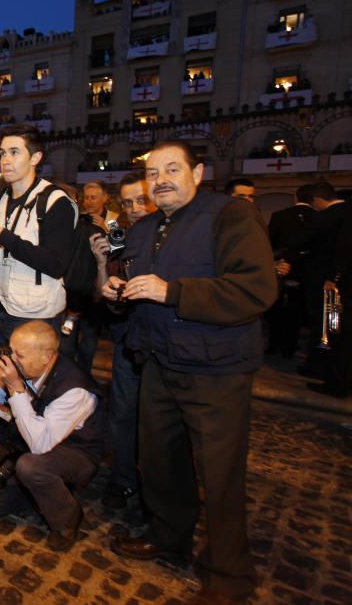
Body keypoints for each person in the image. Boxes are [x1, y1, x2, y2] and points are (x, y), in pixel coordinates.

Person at [103, 140, 276, 602]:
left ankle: (229, 575)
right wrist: (117, 295)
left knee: (219, 475)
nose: (159, 180)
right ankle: (169, 538)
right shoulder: (143, 230)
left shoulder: (230, 216)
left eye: (171, 169)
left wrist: (173, 292)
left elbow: (255, 291)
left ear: (197, 173)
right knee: (160, 463)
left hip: (216, 369)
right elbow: (137, 294)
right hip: (158, 363)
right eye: (152, 173)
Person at [0, 321, 103, 552]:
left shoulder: (74, 388)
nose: (11, 359)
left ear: (47, 356)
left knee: (31, 467)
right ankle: (43, 493)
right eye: (11, 350)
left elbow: (41, 445)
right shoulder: (24, 369)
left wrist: (15, 388)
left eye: (19, 354)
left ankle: (67, 520)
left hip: (76, 453)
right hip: (35, 447)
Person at [89, 171, 155, 509]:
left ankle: (159, 488)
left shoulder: (176, 238)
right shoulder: (120, 238)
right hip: (127, 340)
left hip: (164, 345)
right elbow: (104, 294)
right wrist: (102, 262)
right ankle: (124, 479)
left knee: (160, 421)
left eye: (142, 200)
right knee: (123, 414)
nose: (135, 209)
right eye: (128, 203)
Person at [0, 125, 78, 344]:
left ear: (35, 158)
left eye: (14, 152)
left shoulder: (56, 202)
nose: (5, 160)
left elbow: (56, 264)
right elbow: (0, 252)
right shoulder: (2, 197)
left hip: (35, 315)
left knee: (29, 378)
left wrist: (4, 237)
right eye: (2, 153)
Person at [303, 181, 350, 397]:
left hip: (335, 286)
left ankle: (335, 380)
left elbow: (342, 249)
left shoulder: (333, 217)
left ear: (317, 200)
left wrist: (333, 278)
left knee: (332, 330)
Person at [265, 184, 316, 359]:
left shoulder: (280, 216)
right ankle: (289, 347)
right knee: (297, 311)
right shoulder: (318, 218)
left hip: (280, 267)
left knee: (276, 308)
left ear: (296, 197)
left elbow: (268, 244)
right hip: (306, 272)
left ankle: (273, 345)